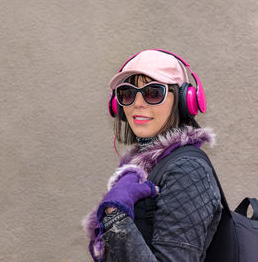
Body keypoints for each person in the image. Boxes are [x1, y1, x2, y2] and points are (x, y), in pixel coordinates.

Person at [82, 49, 222, 261]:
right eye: (127, 93)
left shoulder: (188, 170)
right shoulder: (139, 169)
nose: (138, 103)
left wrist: (115, 215)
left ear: (185, 100)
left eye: (153, 92)